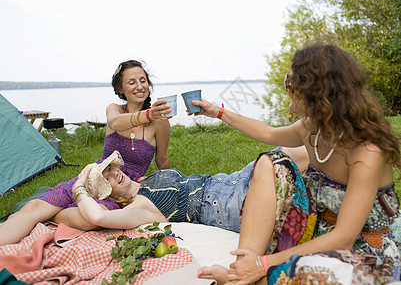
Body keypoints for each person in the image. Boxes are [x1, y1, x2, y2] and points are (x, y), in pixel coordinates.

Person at [188, 43, 401, 284]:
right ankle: (243, 268)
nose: (286, 84)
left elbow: (344, 238)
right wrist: (217, 112)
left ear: (313, 90)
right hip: (318, 231)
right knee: (272, 163)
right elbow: (268, 133)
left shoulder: (367, 151)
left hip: (365, 250)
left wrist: (264, 264)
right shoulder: (313, 129)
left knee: (298, 275)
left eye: (291, 79)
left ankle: (248, 274)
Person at [0, 60, 172, 245]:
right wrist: (148, 115)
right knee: (33, 208)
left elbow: (161, 158)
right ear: (121, 89)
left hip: (123, 187)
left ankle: (56, 214)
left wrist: (170, 181)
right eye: (132, 82)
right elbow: (115, 123)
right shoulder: (114, 109)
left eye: (143, 80)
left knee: (93, 219)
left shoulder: (160, 123)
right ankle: (45, 212)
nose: (139, 86)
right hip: (96, 175)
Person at [0, 146, 307, 246]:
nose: (114, 175)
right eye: (108, 182)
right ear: (114, 197)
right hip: (225, 204)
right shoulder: (139, 206)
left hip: (228, 179)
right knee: (290, 176)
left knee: (299, 152)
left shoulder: (146, 181)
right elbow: (95, 217)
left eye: (111, 169)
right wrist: (78, 190)